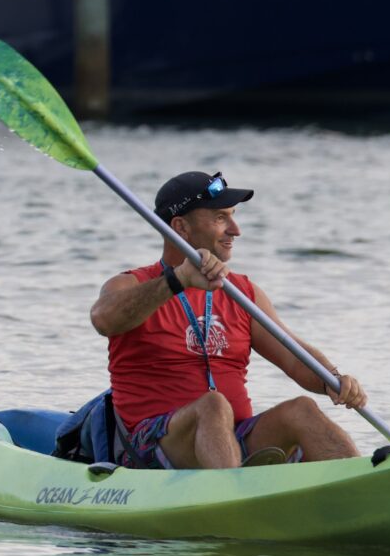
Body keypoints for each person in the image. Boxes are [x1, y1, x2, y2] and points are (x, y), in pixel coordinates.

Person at [89, 170, 366, 469]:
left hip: (231, 439)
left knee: (302, 410)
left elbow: (295, 358)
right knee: (213, 405)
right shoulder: (131, 285)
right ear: (180, 227)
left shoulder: (243, 292)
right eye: (221, 217)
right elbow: (104, 319)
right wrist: (177, 280)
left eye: (233, 216)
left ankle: (364, 488)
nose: (235, 230)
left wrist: (333, 380)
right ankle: (233, 498)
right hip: (150, 444)